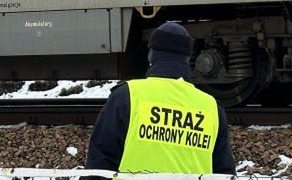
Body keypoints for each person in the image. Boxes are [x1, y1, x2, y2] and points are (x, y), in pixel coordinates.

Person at [85, 22, 235, 175]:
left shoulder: (127, 96)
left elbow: (99, 164)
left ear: (151, 56)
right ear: (186, 59)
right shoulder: (211, 108)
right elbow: (224, 174)